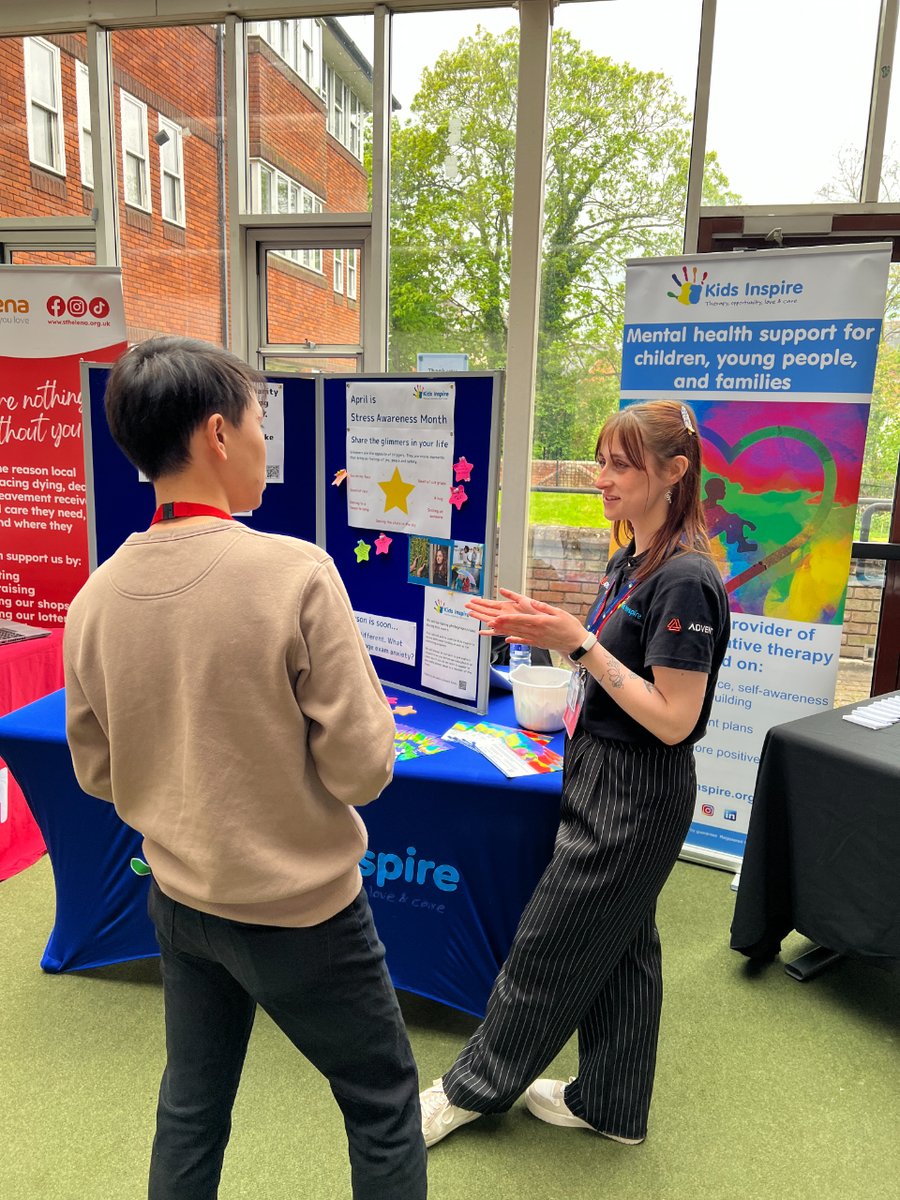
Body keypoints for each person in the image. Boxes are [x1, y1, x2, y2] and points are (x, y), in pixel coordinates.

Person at [63, 337, 427, 1200]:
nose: (267, 443)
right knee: (382, 1103)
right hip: (302, 911)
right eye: (262, 423)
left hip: (181, 899)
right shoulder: (294, 572)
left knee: (191, 1108)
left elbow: (96, 770)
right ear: (219, 435)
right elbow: (363, 768)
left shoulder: (95, 599)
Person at [420, 399, 729, 1149]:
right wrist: (557, 636)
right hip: (601, 772)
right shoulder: (635, 557)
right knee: (622, 946)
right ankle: (612, 1103)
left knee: (549, 945)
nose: (602, 478)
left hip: (637, 791)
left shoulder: (685, 579)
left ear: (674, 473)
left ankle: (469, 1091)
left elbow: (672, 718)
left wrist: (578, 644)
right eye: (603, 461)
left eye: (622, 465)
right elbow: (608, 662)